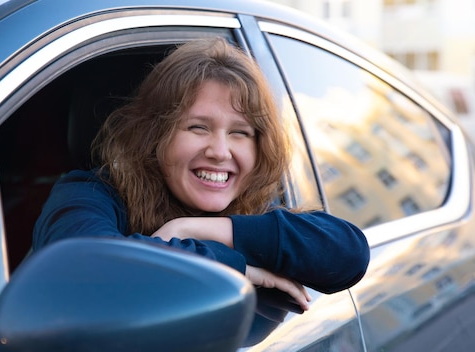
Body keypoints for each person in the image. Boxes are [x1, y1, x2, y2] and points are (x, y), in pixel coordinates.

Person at [33, 37, 369, 314]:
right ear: (154, 136)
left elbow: (349, 254)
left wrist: (194, 229)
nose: (220, 151)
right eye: (198, 127)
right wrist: (237, 267)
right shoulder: (88, 193)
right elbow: (89, 266)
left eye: (241, 133)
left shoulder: (252, 204)